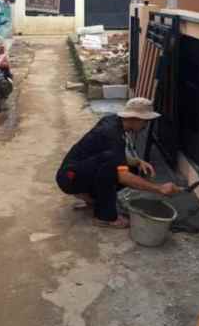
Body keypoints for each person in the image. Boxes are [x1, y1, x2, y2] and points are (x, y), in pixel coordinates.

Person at [56, 97, 180, 229]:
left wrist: (137, 162)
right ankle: (105, 217)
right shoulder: (112, 134)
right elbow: (123, 177)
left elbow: (112, 154)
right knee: (114, 171)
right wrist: (159, 188)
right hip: (70, 179)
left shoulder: (112, 121)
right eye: (145, 122)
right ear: (135, 118)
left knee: (129, 168)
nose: (145, 126)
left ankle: (92, 198)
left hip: (75, 171)